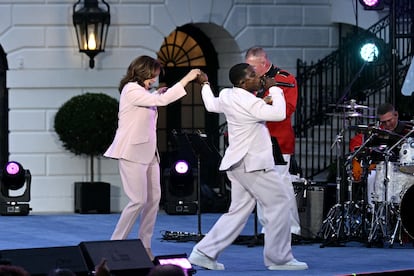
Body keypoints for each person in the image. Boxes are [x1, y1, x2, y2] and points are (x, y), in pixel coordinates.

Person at [188, 63, 308, 271]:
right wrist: (276, 89)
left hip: (237, 164)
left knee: (237, 212)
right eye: (253, 75)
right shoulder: (251, 103)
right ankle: (279, 259)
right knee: (279, 204)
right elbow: (279, 114)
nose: (259, 76)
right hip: (253, 164)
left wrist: (205, 84)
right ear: (243, 82)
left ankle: (203, 253)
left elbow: (211, 105)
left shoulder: (228, 95)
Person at [104, 55, 202, 260]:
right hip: (131, 152)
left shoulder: (141, 91)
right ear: (142, 73)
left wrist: (155, 93)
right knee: (138, 200)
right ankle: (114, 244)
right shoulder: (131, 89)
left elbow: (153, 101)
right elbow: (162, 101)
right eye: (152, 77)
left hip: (149, 154)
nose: (154, 81)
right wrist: (186, 79)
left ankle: (145, 244)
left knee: (153, 200)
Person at [245, 47, 301, 235]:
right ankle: (267, 227)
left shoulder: (284, 79)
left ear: (263, 62)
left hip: (278, 139)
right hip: (257, 139)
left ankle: (291, 228)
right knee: (261, 185)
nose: (250, 70)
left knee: (282, 184)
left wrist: (260, 105)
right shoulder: (250, 80)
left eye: (252, 66)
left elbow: (287, 109)